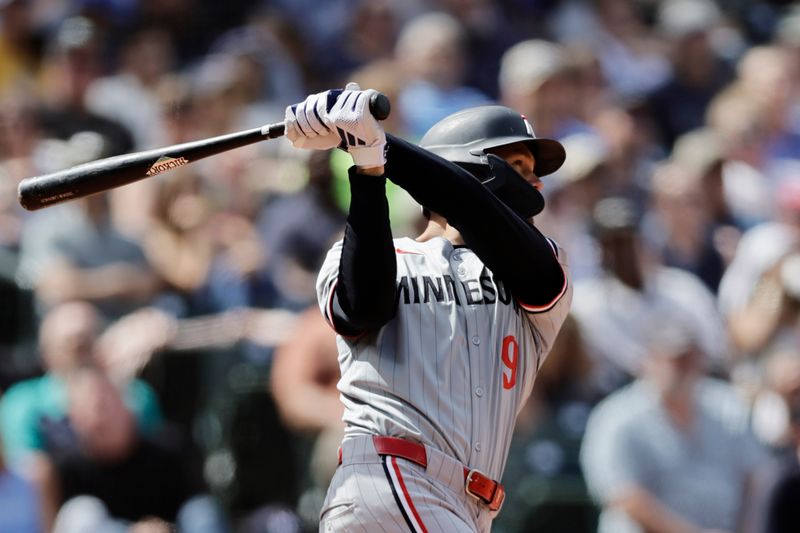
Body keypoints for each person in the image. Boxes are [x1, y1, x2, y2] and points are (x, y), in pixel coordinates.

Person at [283, 84, 571, 532]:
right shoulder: (365, 254)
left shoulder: (540, 264)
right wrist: (368, 165)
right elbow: (363, 307)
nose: (535, 183)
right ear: (470, 168)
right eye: (518, 165)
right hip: (390, 478)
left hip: (468, 505)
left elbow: (479, 213)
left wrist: (375, 143)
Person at [579, 316, 765, 533]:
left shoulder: (729, 407)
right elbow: (623, 496)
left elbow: (756, 482)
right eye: (672, 358)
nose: (681, 366)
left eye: (689, 357)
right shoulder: (616, 417)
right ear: (648, 360)